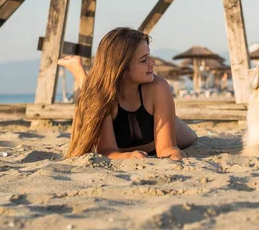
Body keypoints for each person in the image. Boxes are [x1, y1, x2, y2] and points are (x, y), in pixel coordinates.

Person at [59, 27, 198, 160]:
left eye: (149, 56)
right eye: (144, 60)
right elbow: (107, 151)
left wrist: (174, 154)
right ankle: (79, 71)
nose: (152, 62)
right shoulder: (102, 97)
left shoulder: (158, 87)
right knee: (92, 94)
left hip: (173, 133)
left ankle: (79, 71)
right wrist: (127, 156)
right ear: (122, 69)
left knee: (189, 137)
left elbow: (166, 149)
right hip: (105, 96)